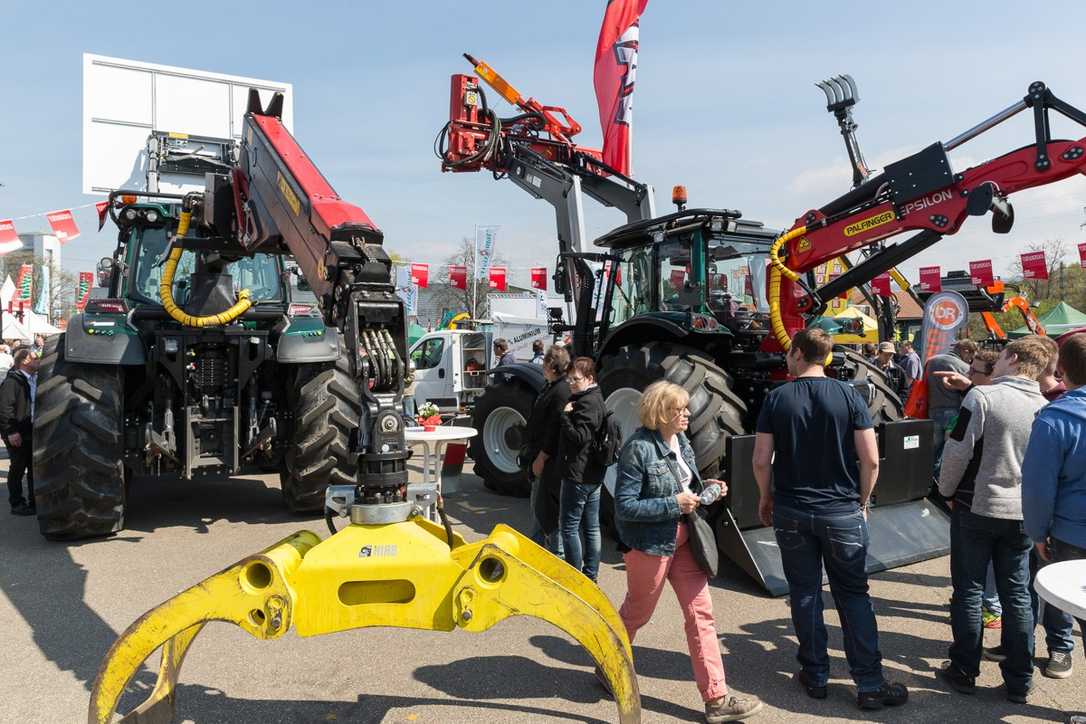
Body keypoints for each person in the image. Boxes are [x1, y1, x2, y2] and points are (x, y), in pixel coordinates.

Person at [753, 328, 909, 711]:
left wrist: (764, 496)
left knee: (805, 593)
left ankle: (816, 675)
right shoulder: (850, 396)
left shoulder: (776, 398)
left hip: (792, 510)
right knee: (853, 595)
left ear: (798, 354)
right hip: (842, 512)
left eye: (789, 353)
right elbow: (870, 459)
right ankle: (870, 684)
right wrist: (863, 499)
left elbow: (760, 460)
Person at [614, 381, 762, 722]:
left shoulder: (680, 440)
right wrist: (673, 503)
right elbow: (625, 506)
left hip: (686, 539)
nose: (687, 414)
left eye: (685, 408)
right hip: (650, 545)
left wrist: (705, 488)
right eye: (679, 409)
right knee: (637, 614)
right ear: (660, 413)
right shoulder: (637, 449)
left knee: (701, 616)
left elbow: (686, 485)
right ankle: (609, 665)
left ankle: (717, 699)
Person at [937, 337, 1050, 703]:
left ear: (1012, 359)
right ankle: (1020, 678)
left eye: (1000, 356)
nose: (996, 362)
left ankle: (964, 669)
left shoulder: (982, 398)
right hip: (1021, 513)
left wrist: (946, 491)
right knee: (1016, 593)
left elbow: (957, 450)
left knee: (969, 590)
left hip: (978, 507)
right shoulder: (1044, 406)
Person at [1022, 333, 1086, 678]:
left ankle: (1061, 648)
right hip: (1071, 528)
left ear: (1060, 369)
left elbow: (1037, 487)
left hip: (1070, 533)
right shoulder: (1055, 417)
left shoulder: (1054, 419)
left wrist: (1037, 533)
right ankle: (1060, 648)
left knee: (1061, 595)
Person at [558, 357, 607, 581]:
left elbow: (580, 437)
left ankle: (575, 578)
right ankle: (590, 576)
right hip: (593, 474)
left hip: (578, 475)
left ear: (589, 378)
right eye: (569, 379)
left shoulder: (587, 402)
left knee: (569, 528)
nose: (571, 383)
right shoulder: (595, 397)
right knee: (591, 527)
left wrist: (566, 416)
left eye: (575, 379)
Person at [526, 345, 571, 555]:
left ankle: (551, 553)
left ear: (552, 365)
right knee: (538, 508)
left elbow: (555, 429)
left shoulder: (560, 391)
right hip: (539, 455)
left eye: (545, 362)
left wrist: (542, 457)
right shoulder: (551, 386)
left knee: (545, 510)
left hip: (548, 460)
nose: (542, 365)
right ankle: (536, 548)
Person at [927, 339, 979, 476]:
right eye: (971, 356)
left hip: (932, 410)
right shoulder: (964, 367)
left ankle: (928, 480)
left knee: (932, 451)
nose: (971, 360)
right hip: (954, 413)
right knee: (949, 452)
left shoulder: (931, 361)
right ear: (965, 350)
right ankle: (940, 483)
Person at [0, 348, 39, 516]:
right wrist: (11, 431)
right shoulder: (12, 382)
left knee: (32, 468)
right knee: (17, 468)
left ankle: (34, 502)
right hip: (17, 431)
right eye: (35, 357)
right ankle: (16, 503)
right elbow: (5, 408)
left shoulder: (33, 379)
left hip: (30, 429)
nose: (38, 360)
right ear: (24, 361)